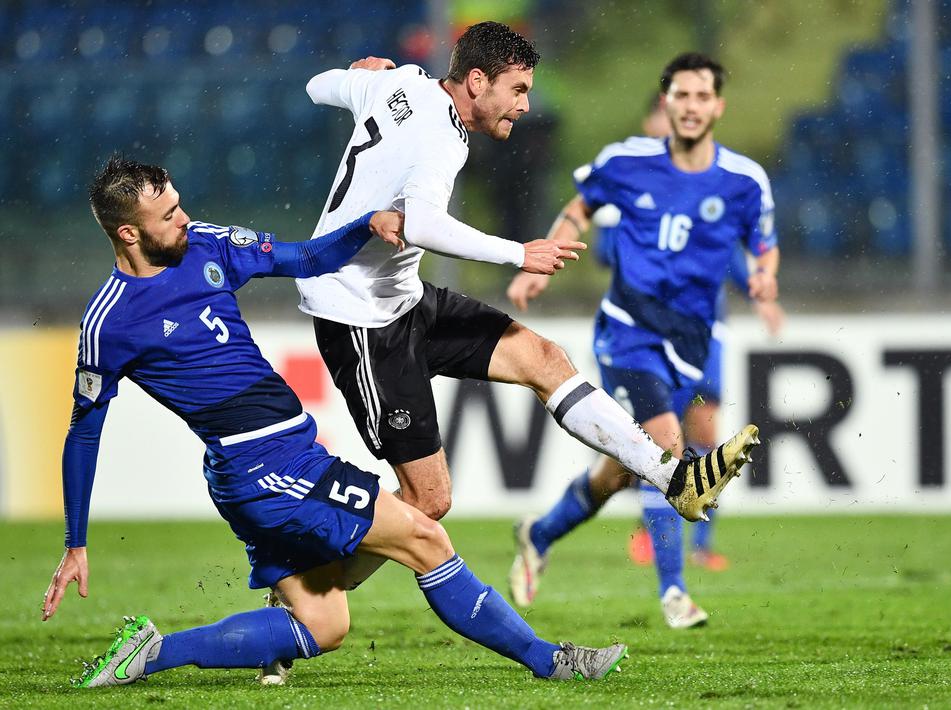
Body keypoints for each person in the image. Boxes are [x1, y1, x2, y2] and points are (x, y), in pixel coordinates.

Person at [43, 156, 628, 688]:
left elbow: (307, 257)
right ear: (128, 232)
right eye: (168, 214)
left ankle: (149, 654)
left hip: (279, 461)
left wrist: (366, 223)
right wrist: (76, 542)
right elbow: (84, 433)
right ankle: (551, 661)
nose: (185, 218)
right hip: (261, 469)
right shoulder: (109, 323)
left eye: (179, 203)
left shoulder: (207, 243)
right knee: (425, 535)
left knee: (323, 624)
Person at [294, 22, 759, 584]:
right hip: (360, 318)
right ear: (475, 81)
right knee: (429, 500)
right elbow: (420, 223)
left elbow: (317, 87)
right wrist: (519, 253)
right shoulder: (438, 134)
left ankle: (675, 480)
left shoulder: (407, 84)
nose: (525, 104)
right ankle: (307, 588)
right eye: (516, 89)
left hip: (403, 298)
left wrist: (362, 75)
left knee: (544, 359)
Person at [505, 52, 780, 628]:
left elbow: (763, 240)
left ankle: (540, 531)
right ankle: (675, 592)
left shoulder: (743, 179)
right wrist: (540, 262)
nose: (691, 106)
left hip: (692, 343)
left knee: (620, 472)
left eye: (702, 97)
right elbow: (579, 208)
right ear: (667, 102)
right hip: (627, 335)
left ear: (717, 106)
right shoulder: (626, 163)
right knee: (666, 449)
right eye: (680, 96)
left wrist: (764, 276)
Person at [614, 97, 784, 573]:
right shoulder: (631, 189)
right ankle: (653, 530)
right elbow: (610, 255)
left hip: (703, 331)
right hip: (646, 333)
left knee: (705, 428)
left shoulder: (708, 184)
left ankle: (702, 539)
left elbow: (727, 249)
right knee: (655, 436)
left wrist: (759, 295)